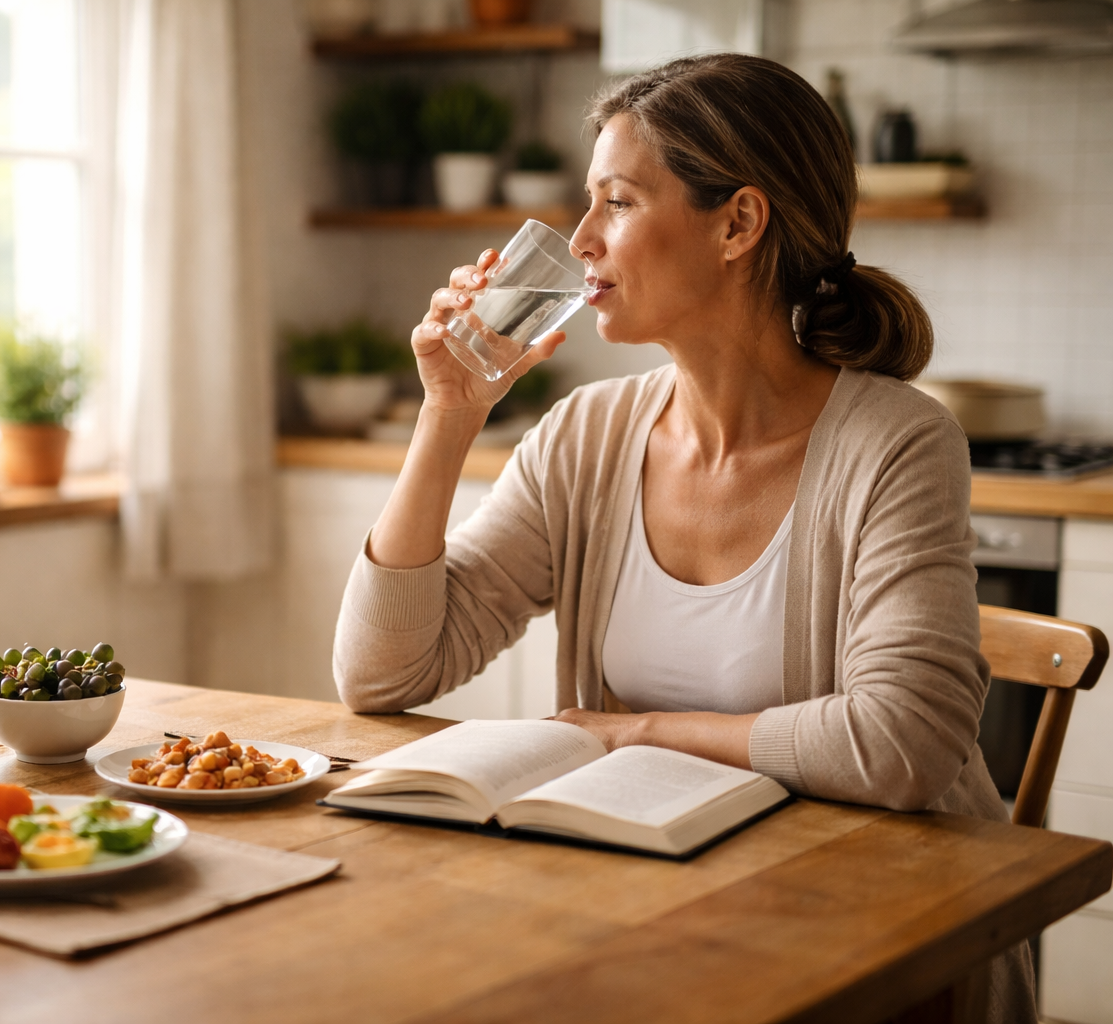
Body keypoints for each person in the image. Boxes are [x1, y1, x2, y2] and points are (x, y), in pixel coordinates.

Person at [331, 54, 1034, 1022]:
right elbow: (382, 674)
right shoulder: (586, 434)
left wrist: (630, 729)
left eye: (616, 202)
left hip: (885, 944)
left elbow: (900, 745)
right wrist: (449, 414)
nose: (579, 241)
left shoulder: (898, 442)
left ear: (739, 223)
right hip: (656, 905)